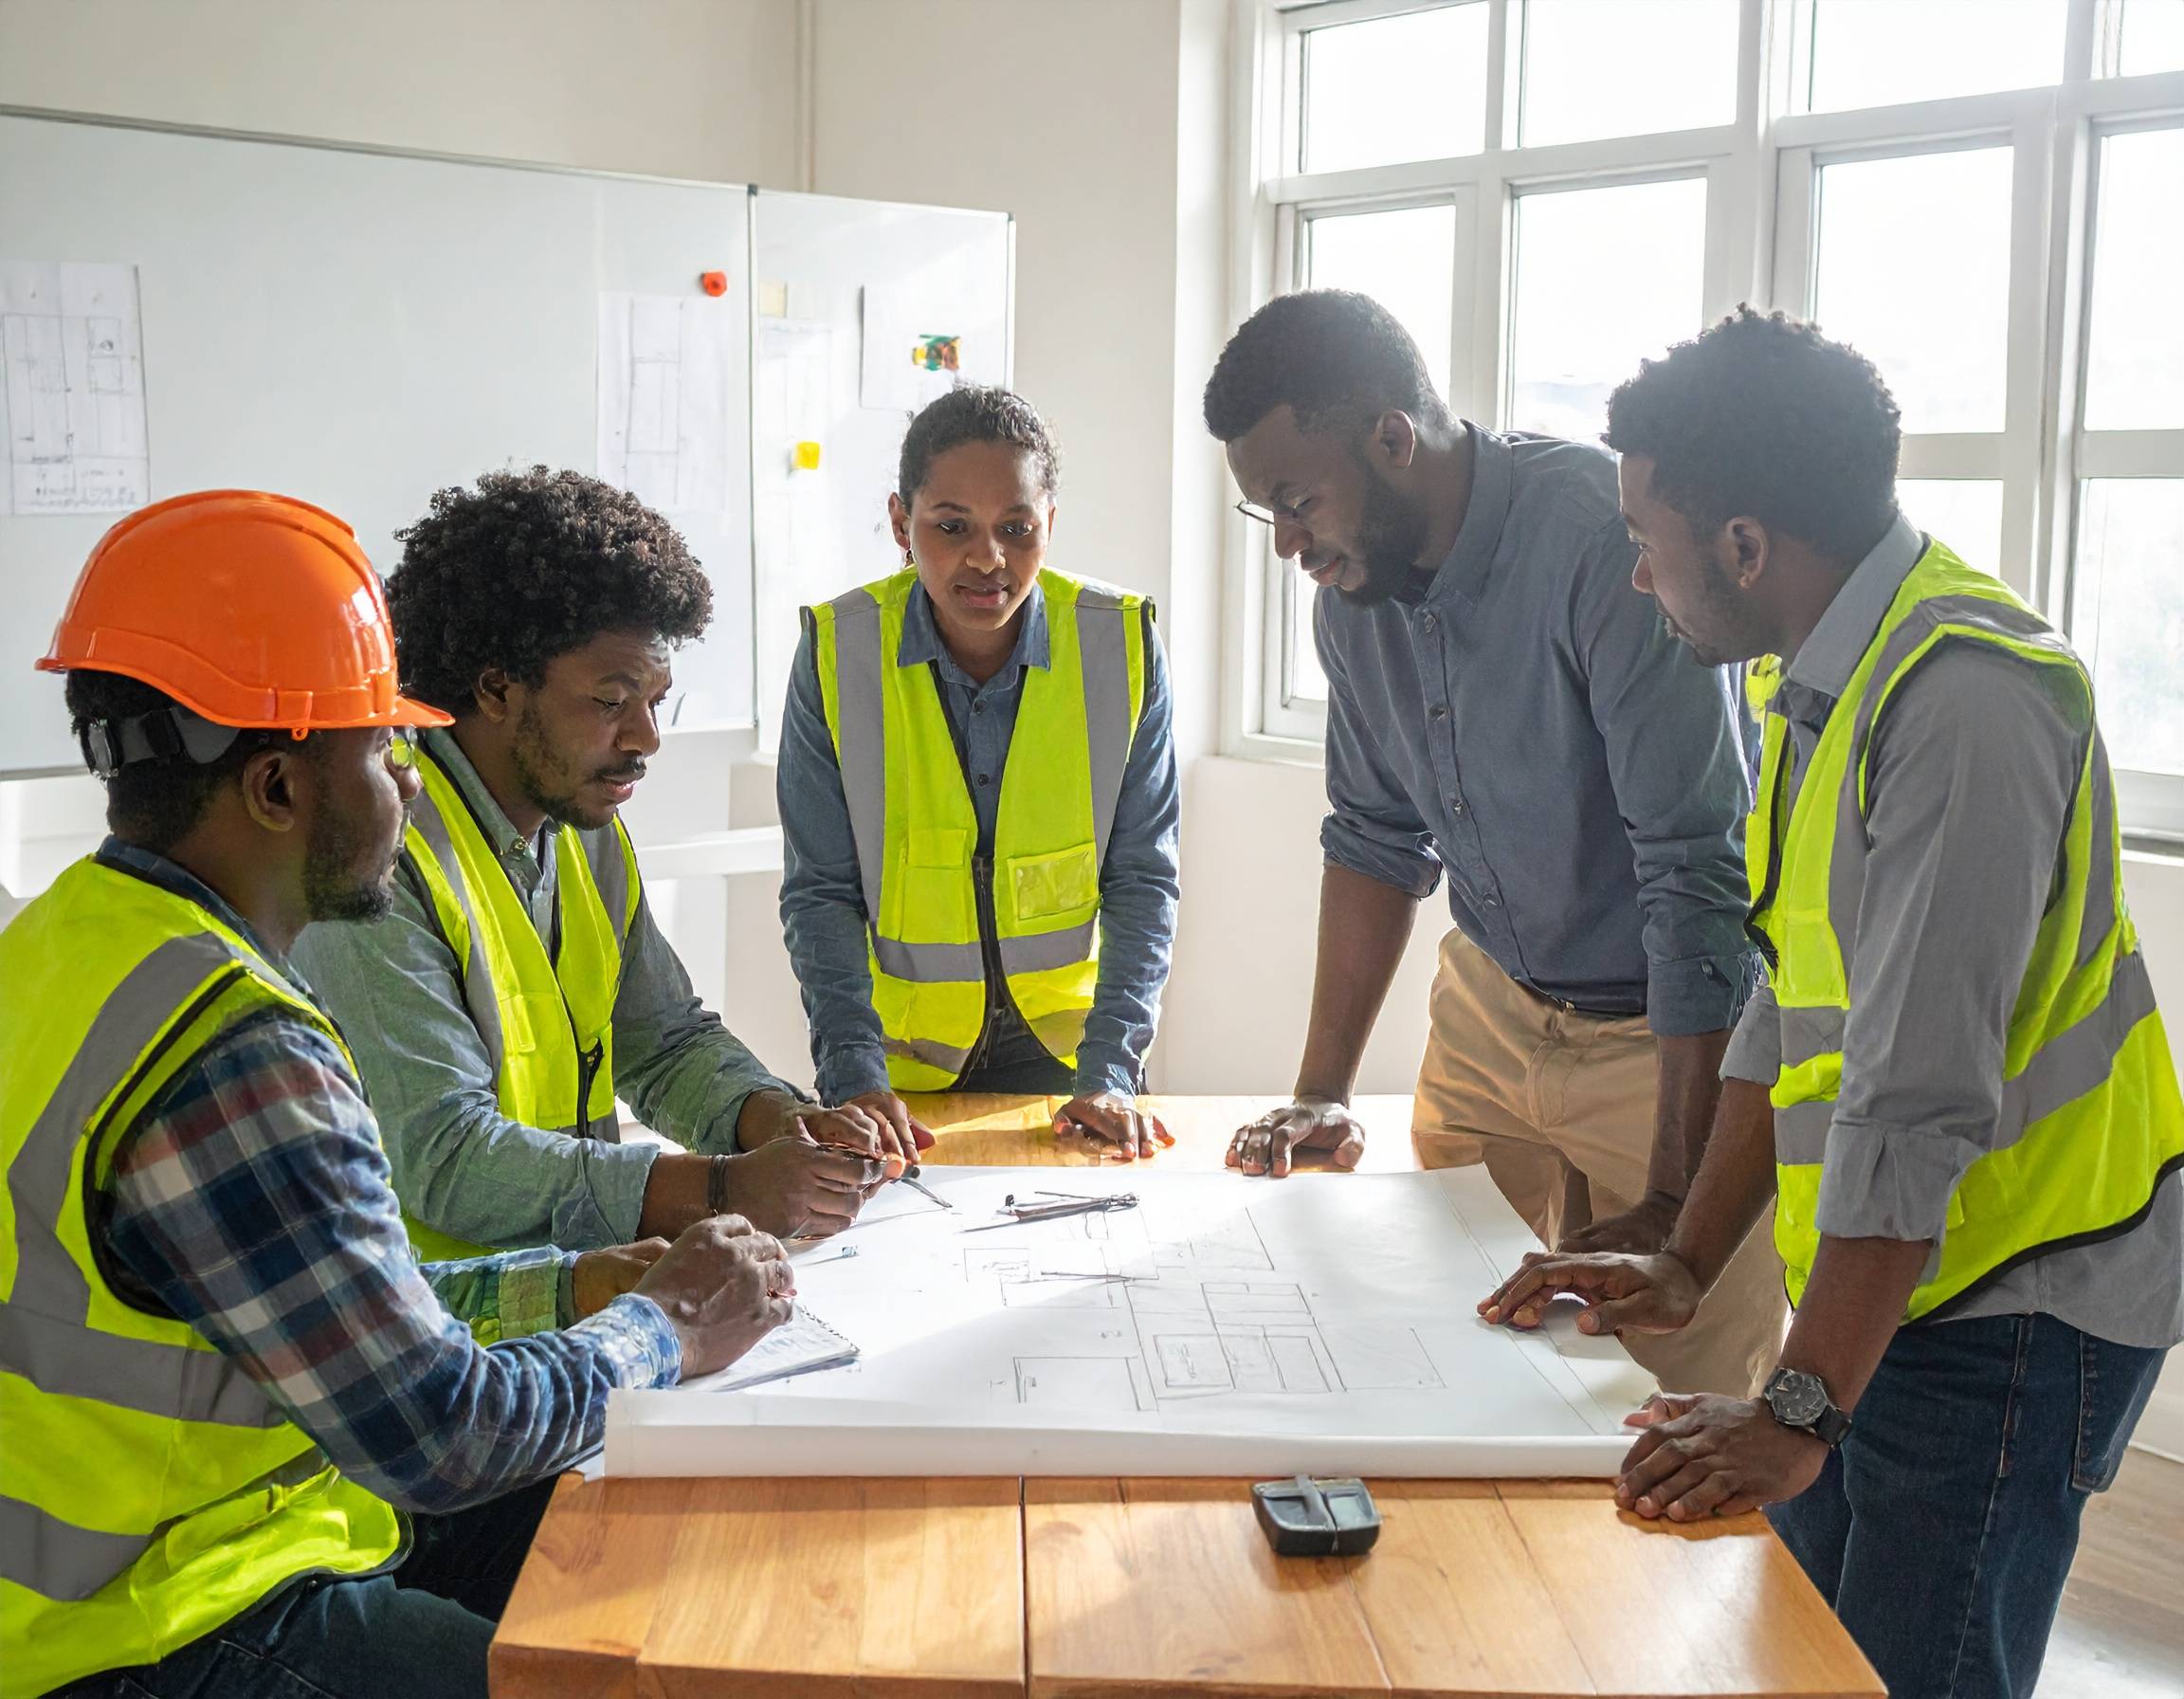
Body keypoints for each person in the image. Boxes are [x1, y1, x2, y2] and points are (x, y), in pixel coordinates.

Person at [1482, 309, 2183, 1699]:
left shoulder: (1962, 700)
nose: (1635, 580)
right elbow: (1786, 1009)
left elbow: (1912, 1102)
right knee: (1808, 1664)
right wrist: (1688, 1256)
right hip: (1904, 1288)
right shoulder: (1821, 683)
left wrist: (1800, 1404)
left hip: (2019, 1305)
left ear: (1744, 546)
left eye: (1647, 543)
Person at [0, 489, 794, 1699]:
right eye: (377, 748)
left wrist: (575, 1284)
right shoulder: (233, 1050)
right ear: (275, 788)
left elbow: (331, 1297)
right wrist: (668, 1325)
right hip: (159, 1628)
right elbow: (442, 1432)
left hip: (142, 1560)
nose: (408, 784)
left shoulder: (65, 943)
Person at [1202, 289, 1780, 1397]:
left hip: (1662, 1045)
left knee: (1677, 1414)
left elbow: (1694, 879)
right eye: (1261, 514)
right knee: (1449, 1367)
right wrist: (1322, 1089)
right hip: (1487, 1012)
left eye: (1296, 500)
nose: (1287, 545)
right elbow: (1374, 841)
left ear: (1390, 439)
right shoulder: (1351, 602)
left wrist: (1672, 1200)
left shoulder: (1602, 551)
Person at [294, 468, 883, 1260]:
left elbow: (664, 1039)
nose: (645, 739)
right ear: (497, 689)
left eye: (655, 699)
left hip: (577, 1296)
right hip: (446, 1329)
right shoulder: (379, 854)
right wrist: (720, 1189)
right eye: (611, 701)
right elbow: (447, 1159)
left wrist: (777, 1119)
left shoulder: (582, 820)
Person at [776, 386, 1181, 1160]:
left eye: (1016, 528)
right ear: (901, 522)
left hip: (1074, 1065)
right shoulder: (837, 651)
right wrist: (853, 1074)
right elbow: (821, 890)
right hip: (899, 1074)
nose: (987, 558)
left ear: (1050, 525)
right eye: (951, 526)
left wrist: (1113, 1071)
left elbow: (1142, 879)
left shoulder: (1119, 643)